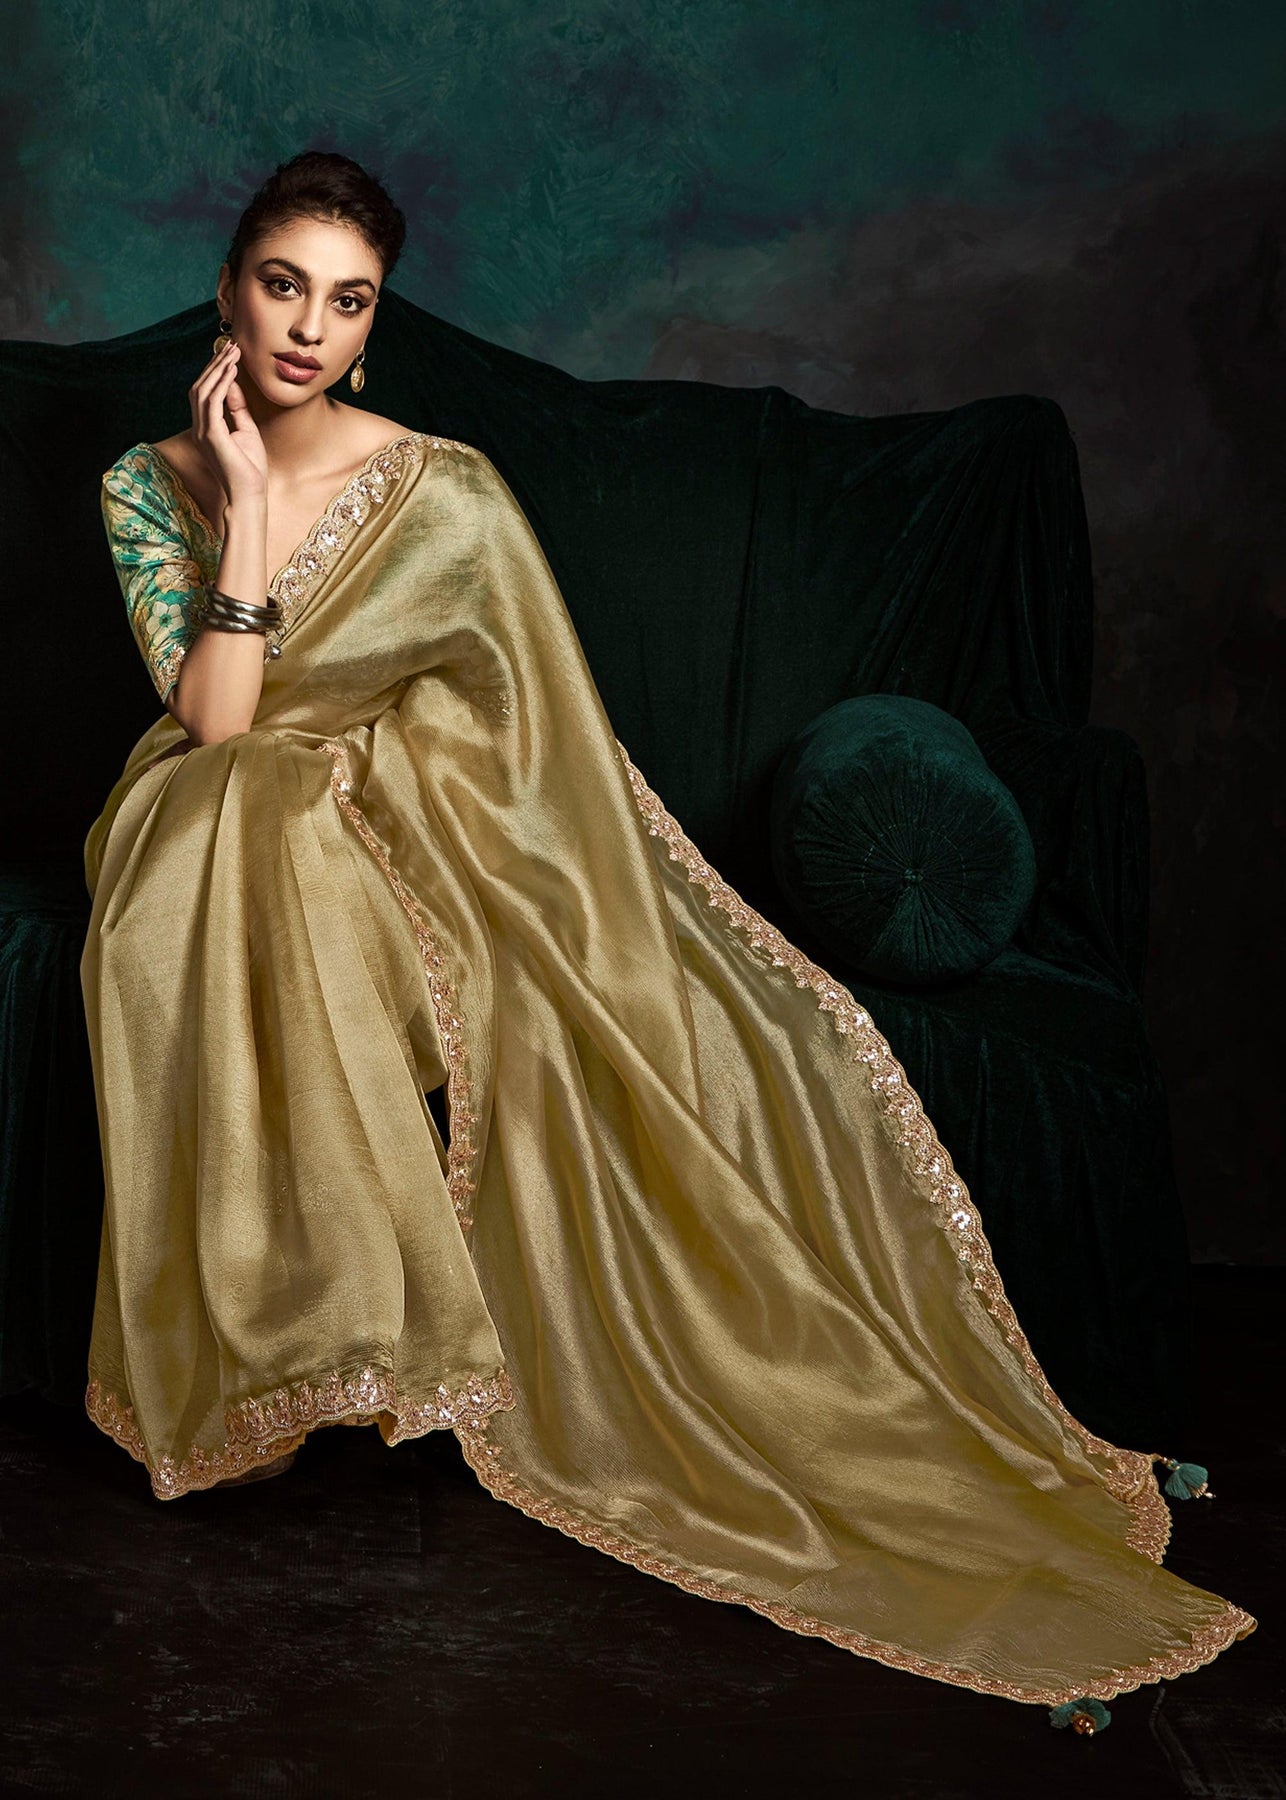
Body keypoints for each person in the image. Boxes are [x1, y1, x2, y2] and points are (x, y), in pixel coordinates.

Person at [81, 150, 1256, 1725]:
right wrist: (237, 512)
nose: (306, 329)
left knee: (291, 825)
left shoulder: (443, 490)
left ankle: (395, 1350)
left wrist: (365, 779)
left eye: (347, 303)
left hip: (412, 821)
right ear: (227, 288)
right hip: (216, 813)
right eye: (282, 286)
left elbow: (525, 734)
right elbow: (220, 722)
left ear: (372, 328)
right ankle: (287, 1358)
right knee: (241, 813)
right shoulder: (145, 481)